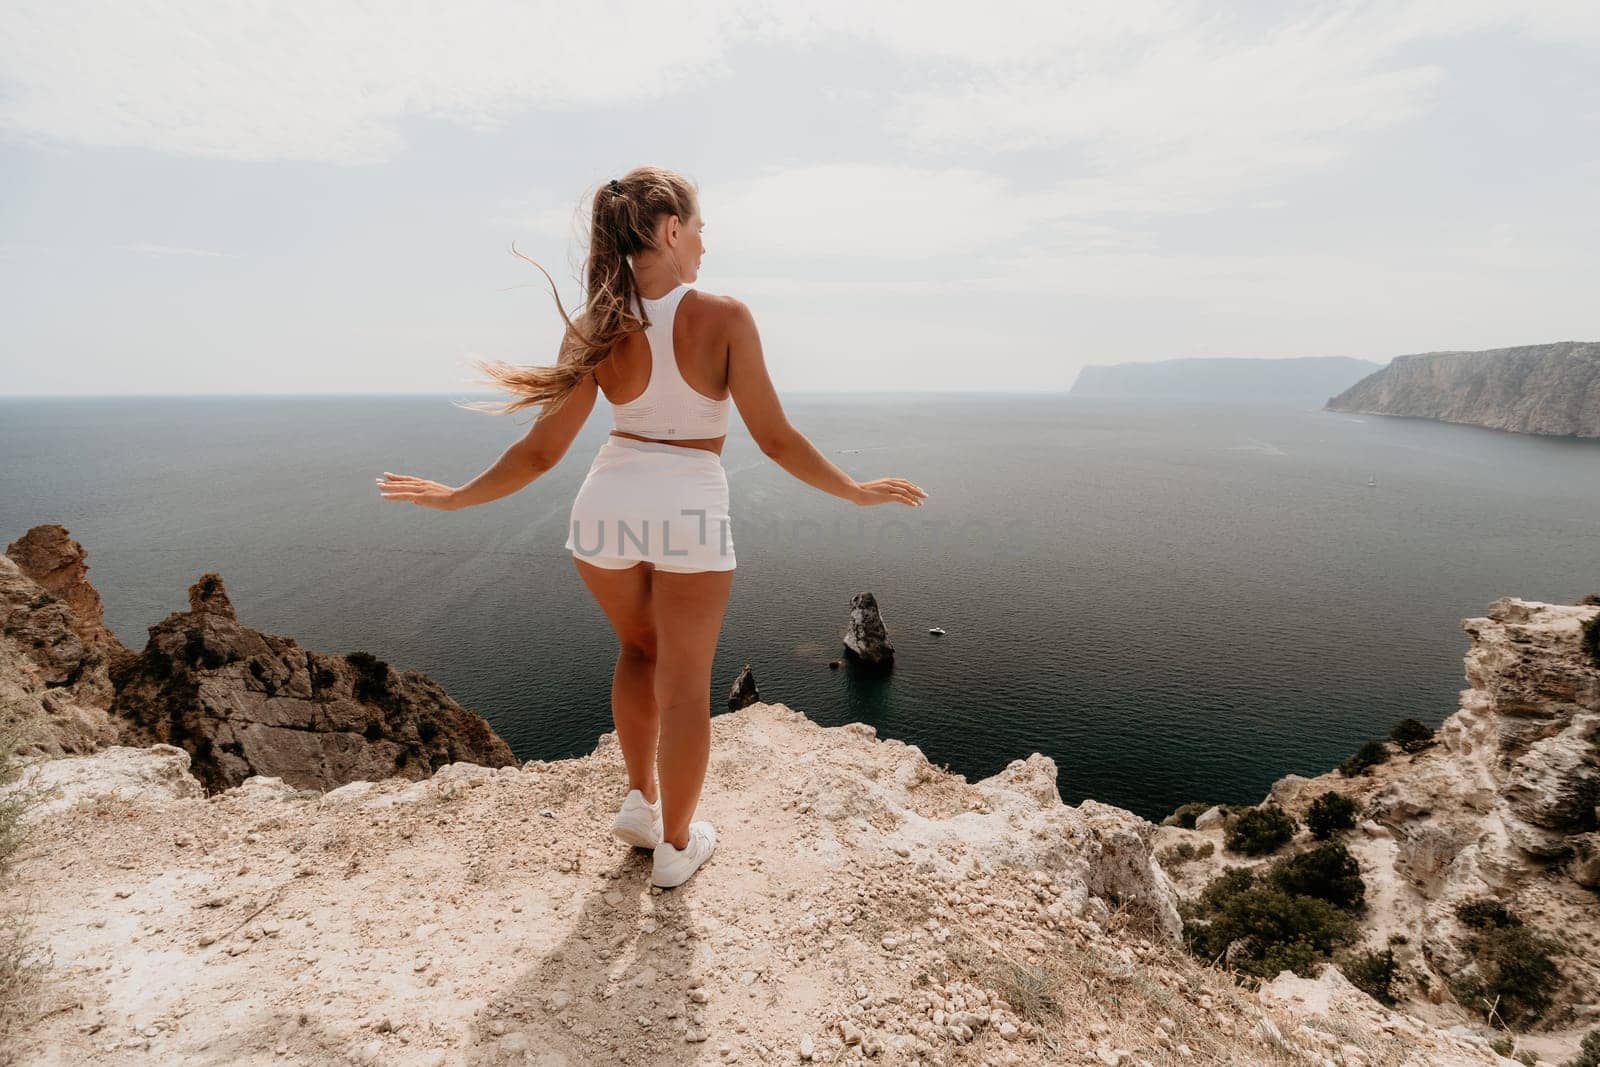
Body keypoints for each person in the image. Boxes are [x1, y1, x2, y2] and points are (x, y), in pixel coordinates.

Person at [376, 165, 928, 889]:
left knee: (640, 650)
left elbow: (541, 451)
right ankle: (675, 845)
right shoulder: (725, 316)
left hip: (605, 504)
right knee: (686, 683)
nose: (705, 240)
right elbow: (777, 439)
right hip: (689, 504)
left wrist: (454, 498)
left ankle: (641, 803)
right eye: (698, 227)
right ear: (670, 230)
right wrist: (854, 491)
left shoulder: (597, 324)